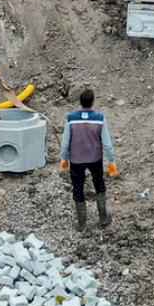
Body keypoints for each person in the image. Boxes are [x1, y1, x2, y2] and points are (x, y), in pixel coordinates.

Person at [59, 89, 118, 231]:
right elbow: (107, 144)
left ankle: (82, 224)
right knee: (99, 184)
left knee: (78, 187)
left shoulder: (71, 118)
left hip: (76, 160)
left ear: (80, 102)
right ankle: (103, 218)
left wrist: (64, 159)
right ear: (92, 101)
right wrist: (111, 162)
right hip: (95, 158)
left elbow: (66, 142)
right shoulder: (99, 118)